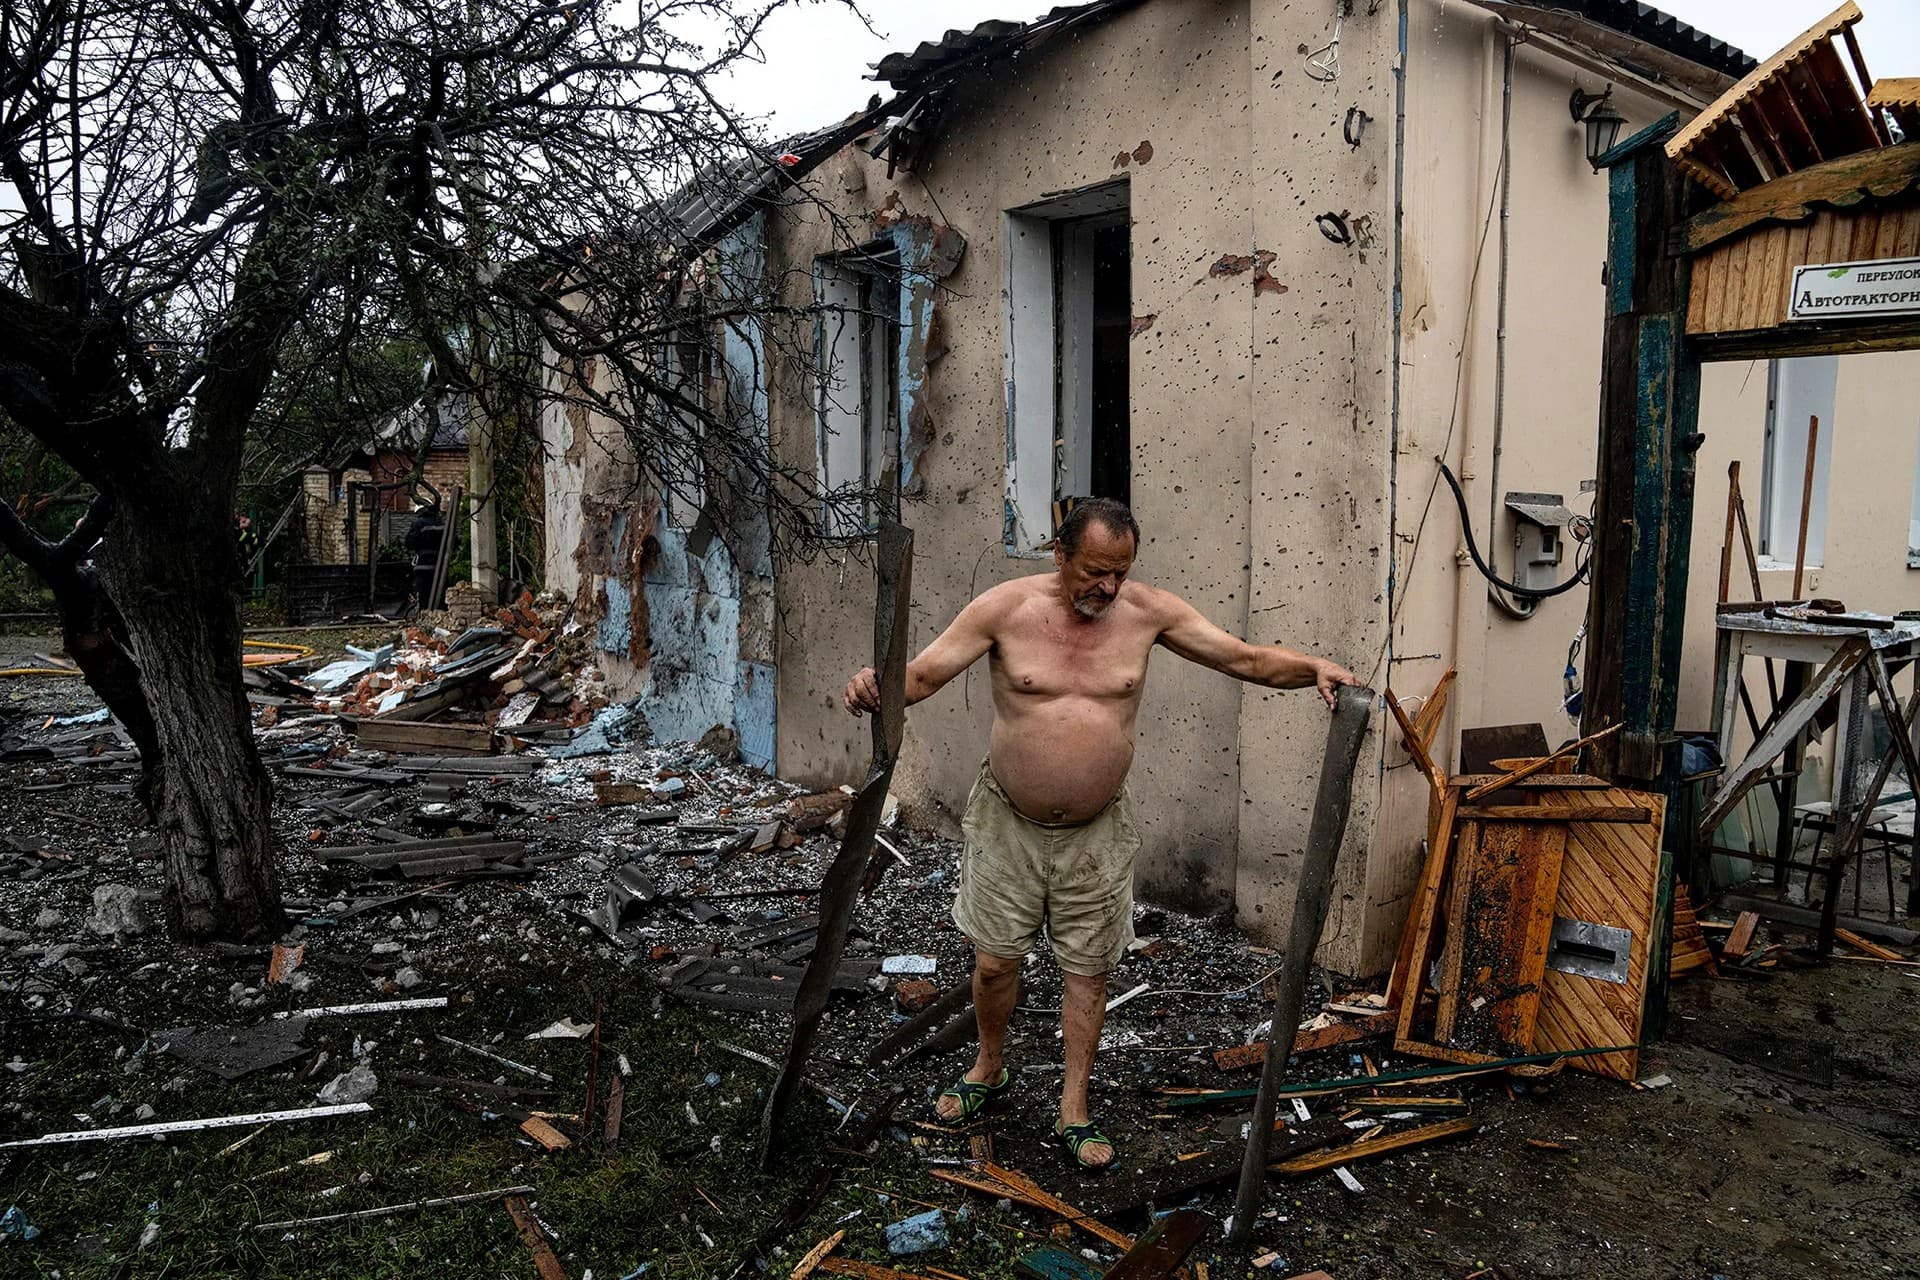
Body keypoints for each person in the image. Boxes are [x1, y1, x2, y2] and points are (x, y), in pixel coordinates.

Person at [843, 497, 1360, 1170]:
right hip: (1008, 825)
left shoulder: (1149, 614)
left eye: (1119, 572)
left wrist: (1312, 668)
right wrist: (872, 684)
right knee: (997, 962)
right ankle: (989, 1068)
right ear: (1060, 554)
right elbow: (921, 677)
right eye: (1094, 571)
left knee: (1087, 973)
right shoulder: (1005, 609)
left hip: (1096, 834)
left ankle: (1074, 1108)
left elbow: (1249, 660)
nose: (1108, 588)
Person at [403, 497, 444, 611]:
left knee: (423, 594)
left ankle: (424, 614)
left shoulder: (418, 523)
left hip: (422, 565)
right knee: (438, 593)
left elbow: (409, 542)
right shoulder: (441, 522)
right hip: (440, 565)